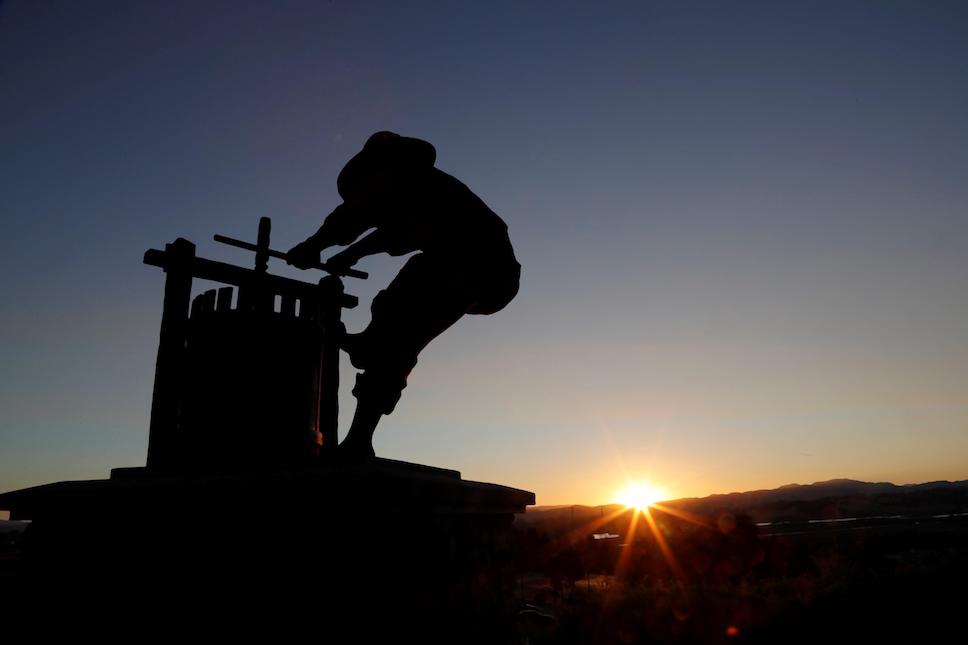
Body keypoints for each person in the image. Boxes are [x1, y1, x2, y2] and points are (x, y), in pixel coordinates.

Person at [287, 132, 521, 460]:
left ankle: (359, 438)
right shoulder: (386, 189)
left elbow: (399, 232)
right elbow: (349, 218)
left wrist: (352, 253)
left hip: (486, 268)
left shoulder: (426, 185)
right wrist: (313, 245)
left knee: (403, 336)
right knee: (394, 301)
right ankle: (370, 342)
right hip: (448, 261)